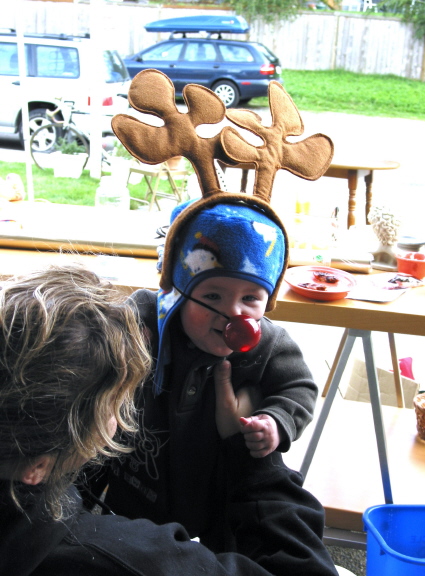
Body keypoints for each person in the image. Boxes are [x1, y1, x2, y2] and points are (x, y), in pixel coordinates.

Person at [0, 263, 338, 576]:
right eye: (117, 401)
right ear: (38, 467)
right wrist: (252, 459)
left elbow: (298, 386)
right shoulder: (129, 560)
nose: (125, 412)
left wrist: (276, 421)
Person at [81, 199, 336, 570]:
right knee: (134, 548)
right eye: (213, 296)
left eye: (251, 298)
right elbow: (102, 337)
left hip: (221, 486)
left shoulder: (269, 345)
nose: (234, 312)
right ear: (178, 291)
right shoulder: (144, 320)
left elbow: (299, 388)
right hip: (142, 478)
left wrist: (275, 421)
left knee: (224, 552)